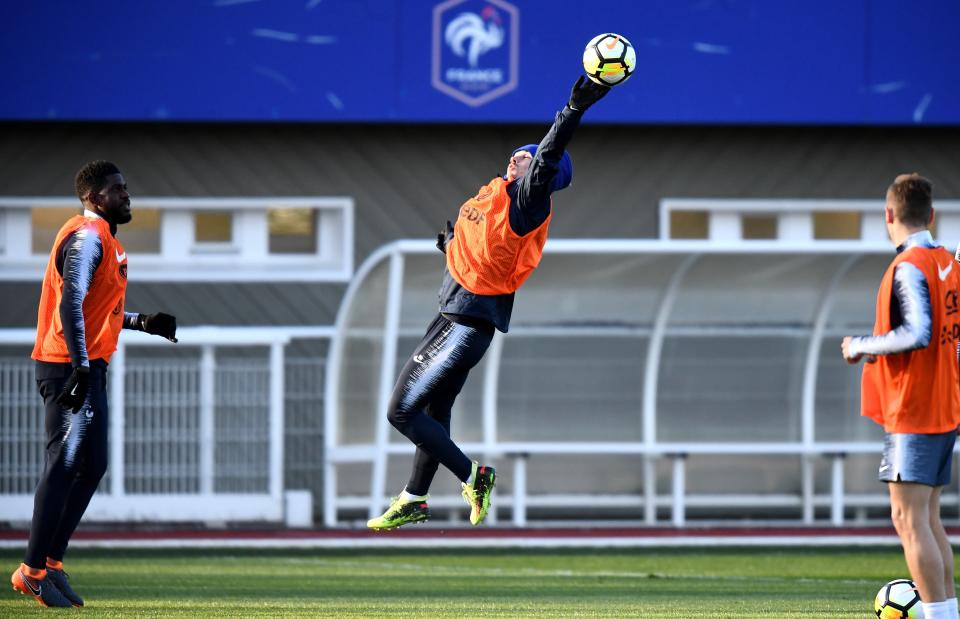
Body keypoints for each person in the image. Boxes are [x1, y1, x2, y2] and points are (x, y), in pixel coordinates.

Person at [366, 76, 612, 530]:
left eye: (531, 155)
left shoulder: (528, 200)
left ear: (545, 173)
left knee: (400, 411)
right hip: (455, 317)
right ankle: (414, 497)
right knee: (436, 414)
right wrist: (452, 246)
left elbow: (551, 150)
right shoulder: (500, 197)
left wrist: (573, 107)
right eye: (519, 151)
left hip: (464, 323)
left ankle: (474, 477)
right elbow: (486, 247)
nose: (522, 156)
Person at [10, 161, 178, 608]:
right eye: (117, 189)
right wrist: (81, 368)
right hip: (69, 367)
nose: (126, 195)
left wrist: (143, 322)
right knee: (64, 465)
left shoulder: (106, 240)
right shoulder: (86, 237)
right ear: (93, 197)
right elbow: (72, 304)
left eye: (125, 187)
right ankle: (31, 571)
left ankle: (51, 561)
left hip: (86, 366)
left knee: (92, 465)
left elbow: (94, 311)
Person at [842, 173, 960, 619]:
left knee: (910, 521)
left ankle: (938, 616)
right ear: (932, 215)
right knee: (927, 520)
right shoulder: (948, 264)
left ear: (888, 215)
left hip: (914, 409)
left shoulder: (910, 265)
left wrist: (860, 347)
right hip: (942, 406)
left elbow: (918, 333)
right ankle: (947, 612)